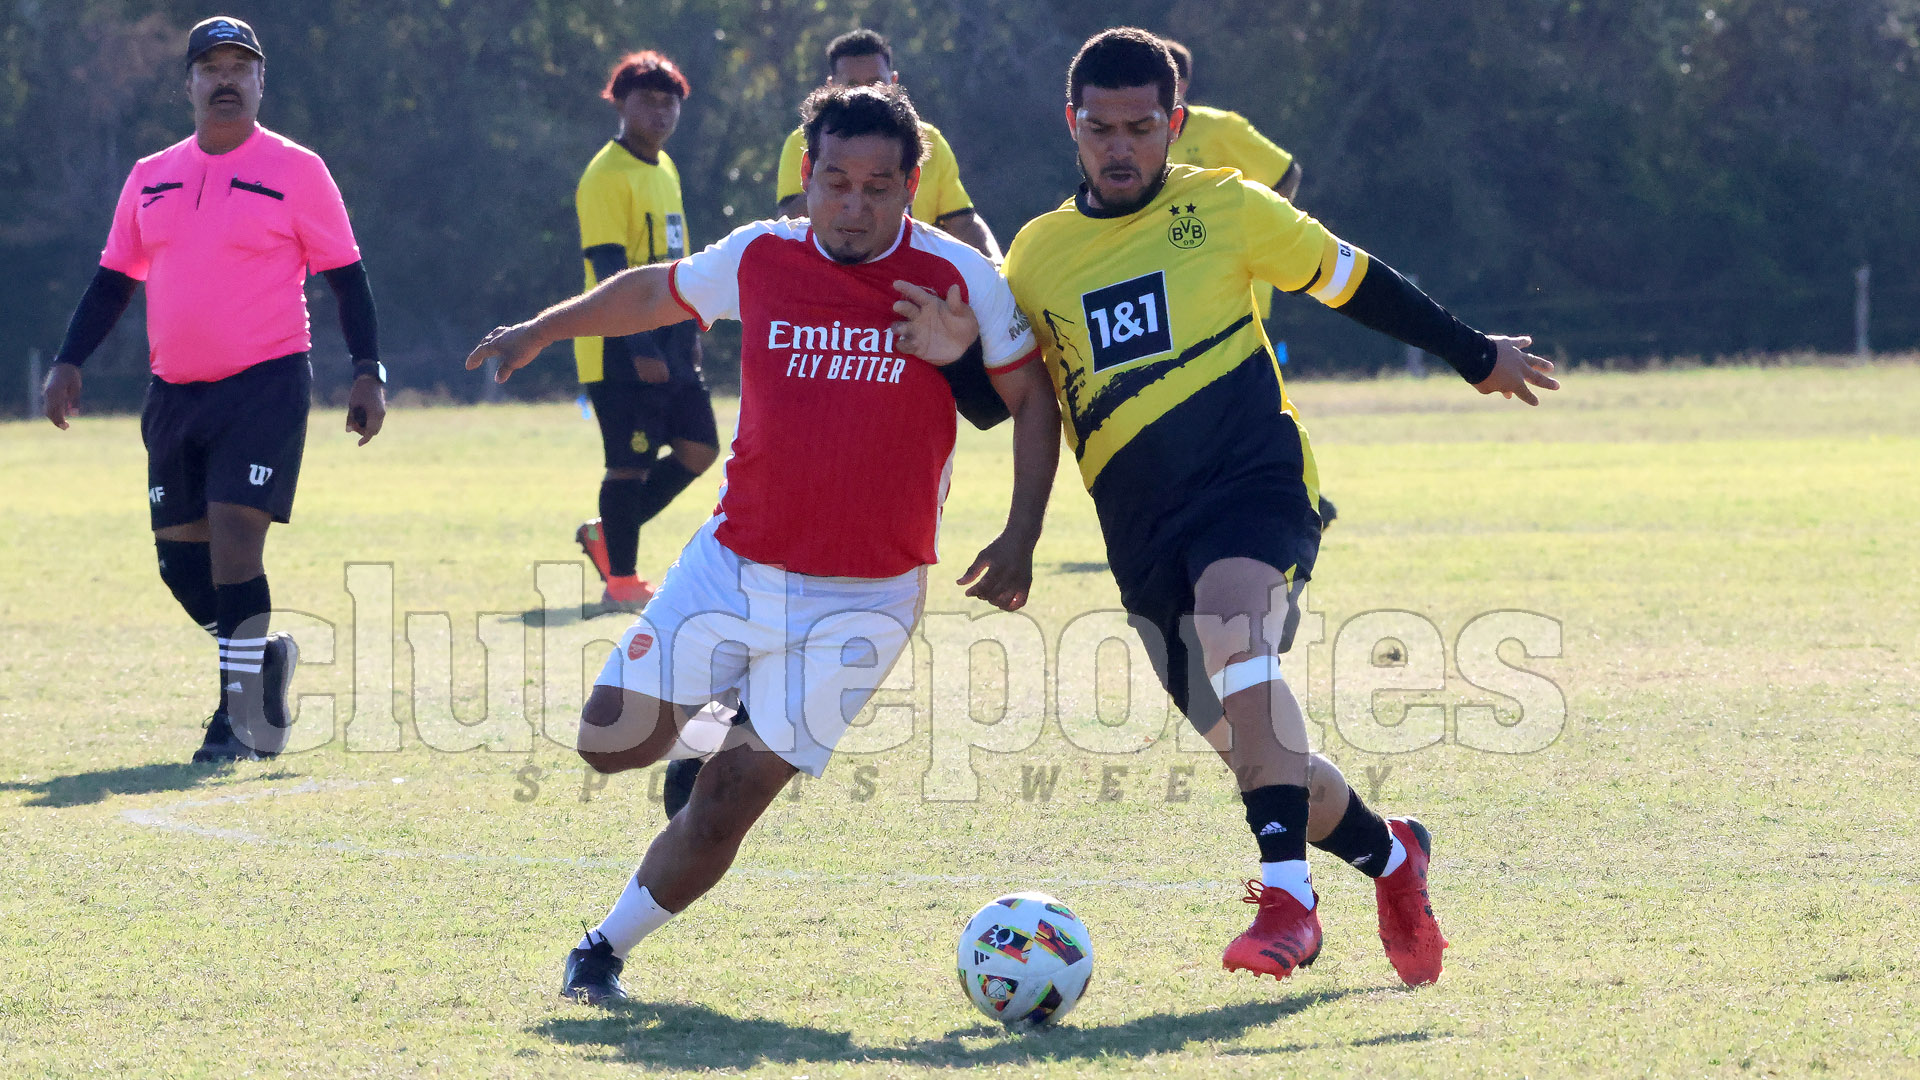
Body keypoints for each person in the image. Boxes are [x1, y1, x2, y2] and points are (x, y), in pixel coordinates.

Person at [465, 83, 1059, 1005]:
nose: (854, 207)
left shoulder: (961, 277)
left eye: (878, 187)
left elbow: (1030, 401)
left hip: (867, 598)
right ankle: (709, 724)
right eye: (835, 182)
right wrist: (546, 327)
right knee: (606, 744)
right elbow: (652, 293)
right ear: (806, 177)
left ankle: (601, 950)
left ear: (912, 185)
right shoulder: (761, 254)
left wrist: (1020, 535)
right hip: (733, 567)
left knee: (727, 805)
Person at [1002, 28, 1558, 988]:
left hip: (1252, 485)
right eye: (1102, 129)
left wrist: (1474, 354)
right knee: (1262, 750)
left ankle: (1289, 902)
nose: (1122, 147)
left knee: (1233, 628)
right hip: (1139, 530)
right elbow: (1015, 396)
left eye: (1143, 127)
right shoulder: (1038, 254)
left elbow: (1356, 280)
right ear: (1072, 126)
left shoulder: (1227, 205)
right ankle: (1393, 855)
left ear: (1175, 124)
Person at [42, 15, 386, 763]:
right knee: (180, 563)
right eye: (211, 67)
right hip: (173, 391)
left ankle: (238, 721)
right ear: (189, 84)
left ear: (261, 83)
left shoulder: (299, 170)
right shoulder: (149, 175)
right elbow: (111, 282)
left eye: (241, 66)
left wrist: (368, 370)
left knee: (235, 540)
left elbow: (347, 278)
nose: (226, 79)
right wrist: (69, 360)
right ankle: (262, 656)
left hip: (264, 381)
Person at [1161, 36, 1341, 527]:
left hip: (1232, 290)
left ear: (1184, 82)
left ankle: (1298, 495)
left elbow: (1286, 172)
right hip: (1170, 291)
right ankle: (1285, 495)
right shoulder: (1138, 137)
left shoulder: (1221, 128)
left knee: (1245, 402)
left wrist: (1254, 229)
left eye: (1167, 77)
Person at [571, 51, 720, 612]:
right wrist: (638, 344)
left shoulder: (666, 168)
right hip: (619, 345)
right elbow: (609, 269)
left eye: (670, 102)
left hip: (673, 338)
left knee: (700, 447)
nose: (660, 113)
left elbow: (676, 261)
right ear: (620, 103)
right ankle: (622, 581)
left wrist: (690, 324)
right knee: (629, 463)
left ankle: (606, 535)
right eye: (647, 101)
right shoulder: (605, 175)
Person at [772, 29, 1001, 263]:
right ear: (831, 86)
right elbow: (790, 221)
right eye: (851, 85)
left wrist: (997, 270)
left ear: (894, 82)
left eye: (875, 83)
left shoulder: (929, 140)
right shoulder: (803, 141)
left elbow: (963, 221)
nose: (865, 92)